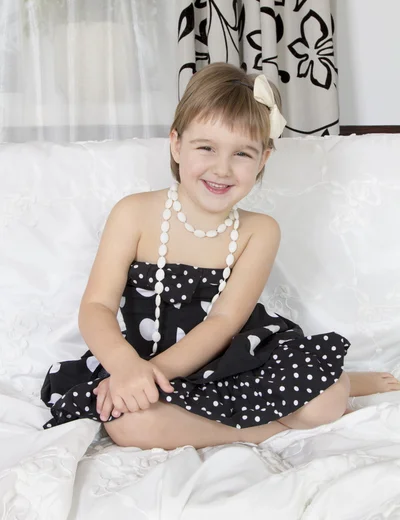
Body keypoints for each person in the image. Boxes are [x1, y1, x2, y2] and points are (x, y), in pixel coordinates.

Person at [41, 62, 400, 449]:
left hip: (228, 356)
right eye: (206, 148)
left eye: (242, 154)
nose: (222, 169)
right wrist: (128, 369)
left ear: (263, 159)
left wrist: (153, 376)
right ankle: (286, 419)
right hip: (142, 357)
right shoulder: (134, 213)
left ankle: (335, 387)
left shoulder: (259, 231)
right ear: (177, 144)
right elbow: (96, 305)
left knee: (325, 401)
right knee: (128, 426)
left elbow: (225, 321)